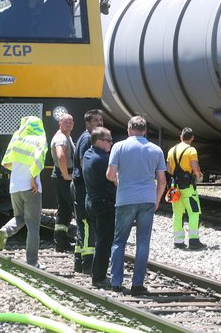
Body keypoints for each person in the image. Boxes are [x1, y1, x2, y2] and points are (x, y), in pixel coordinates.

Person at [106, 116, 167, 296]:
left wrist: (120, 183)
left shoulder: (119, 146)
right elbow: (162, 181)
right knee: (142, 243)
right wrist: (156, 201)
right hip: (147, 199)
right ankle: (137, 284)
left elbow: (110, 175)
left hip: (125, 198)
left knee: (119, 241)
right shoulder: (156, 150)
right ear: (145, 130)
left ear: (129, 129)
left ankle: (116, 282)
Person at [0, 116, 48, 269]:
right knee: (33, 225)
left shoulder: (17, 138)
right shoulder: (39, 139)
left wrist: (18, 172)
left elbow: (6, 162)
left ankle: (5, 230)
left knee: (19, 217)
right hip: (31, 187)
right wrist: (32, 178)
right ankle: (32, 261)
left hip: (14, 186)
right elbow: (39, 160)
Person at [82, 127, 116, 287]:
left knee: (99, 238)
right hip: (103, 204)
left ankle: (97, 272)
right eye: (109, 140)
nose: (111, 143)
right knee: (104, 240)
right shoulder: (103, 159)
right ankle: (99, 277)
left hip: (91, 201)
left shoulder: (88, 154)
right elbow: (114, 179)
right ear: (100, 141)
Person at [71, 109, 104, 273]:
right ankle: (87, 265)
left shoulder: (87, 138)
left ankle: (78, 262)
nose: (100, 122)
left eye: (100, 120)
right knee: (87, 225)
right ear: (87, 124)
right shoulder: (86, 139)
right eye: (96, 120)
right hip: (83, 187)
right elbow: (85, 164)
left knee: (83, 225)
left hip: (83, 186)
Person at [166, 127, 205, 250]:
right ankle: (193, 241)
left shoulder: (171, 150)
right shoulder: (191, 150)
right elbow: (195, 167)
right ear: (192, 138)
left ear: (180, 137)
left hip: (175, 188)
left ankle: (178, 242)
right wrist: (199, 176)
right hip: (188, 187)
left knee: (177, 214)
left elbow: (169, 169)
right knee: (194, 212)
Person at [50, 113, 75, 252]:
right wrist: (66, 175)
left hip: (60, 175)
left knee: (65, 209)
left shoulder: (66, 136)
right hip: (63, 176)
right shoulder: (61, 138)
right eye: (66, 122)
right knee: (74, 205)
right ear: (60, 124)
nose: (69, 124)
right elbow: (60, 155)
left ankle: (60, 241)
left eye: (71, 122)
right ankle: (69, 241)